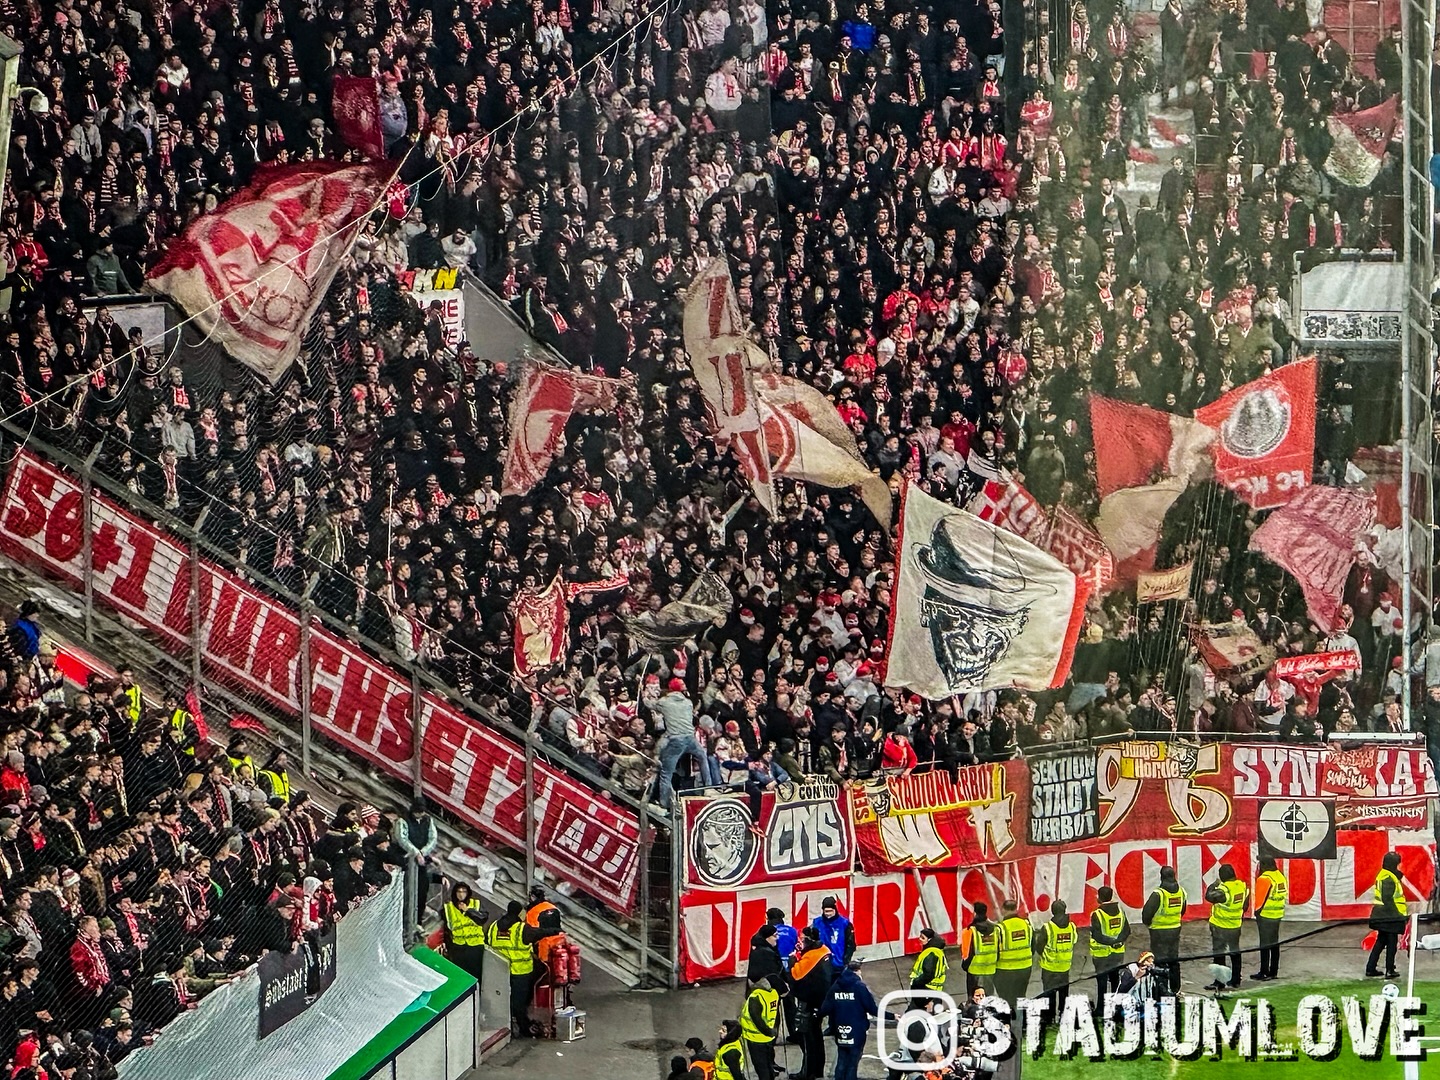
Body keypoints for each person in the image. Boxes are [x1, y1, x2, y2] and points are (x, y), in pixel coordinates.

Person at [486, 900, 545, 1038]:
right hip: (521, 971)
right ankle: (523, 1027)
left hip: (500, 970)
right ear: (519, 913)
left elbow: (488, 944)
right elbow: (536, 938)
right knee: (519, 1002)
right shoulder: (522, 928)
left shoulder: (494, 926)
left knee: (501, 1000)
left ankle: (506, 1024)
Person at [821, 961, 878, 1080]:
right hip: (857, 1031)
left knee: (841, 1060)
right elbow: (872, 1009)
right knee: (852, 1063)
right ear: (857, 971)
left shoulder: (836, 986)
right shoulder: (859, 987)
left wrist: (815, 1015)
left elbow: (825, 1008)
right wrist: (892, 1016)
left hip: (840, 1030)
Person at [790, 926, 833, 1080]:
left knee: (809, 1040)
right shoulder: (824, 950)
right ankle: (817, 1071)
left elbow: (795, 975)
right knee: (817, 1037)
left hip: (810, 1002)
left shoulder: (811, 957)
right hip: (821, 1002)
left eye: (801, 939)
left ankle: (807, 1073)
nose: (799, 942)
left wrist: (793, 960)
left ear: (808, 940)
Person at [1142, 866, 1186, 995]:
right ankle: (1175, 988)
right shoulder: (1181, 892)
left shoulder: (1158, 894)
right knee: (1173, 959)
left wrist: (1149, 923)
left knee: (1160, 961)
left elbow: (1146, 914)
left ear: (1161, 877)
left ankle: (1162, 990)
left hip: (1159, 931)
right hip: (1175, 928)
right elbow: (1183, 910)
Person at [1204, 863, 1247, 990]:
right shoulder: (1242, 886)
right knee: (1235, 952)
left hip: (1220, 926)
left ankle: (1219, 982)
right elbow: (1245, 906)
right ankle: (1236, 980)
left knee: (1219, 954)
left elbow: (1209, 896)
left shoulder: (1224, 890)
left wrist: (1214, 884)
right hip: (1235, 925)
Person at [1366, 852, 1407, 978]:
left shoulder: (1385, 874)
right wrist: (1397, 915)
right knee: (1391, 943)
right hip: (1389, 916)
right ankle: (1390, 969)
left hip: (1382, 914)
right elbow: (1387, 899)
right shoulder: (1388, 878)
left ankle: (1371, 968)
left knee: (1381, 941)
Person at [1035, 900, 1076, 1021]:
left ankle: (1049, 1017)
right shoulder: (1072, 927)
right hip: (1064, 966)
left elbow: (1039, 946)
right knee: (1064, 993)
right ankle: (1063, 1014)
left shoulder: (1048, 928)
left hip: (1049, 967)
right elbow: (1073, 941)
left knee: (1049, 993)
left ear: (1052, 911)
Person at [1089, 886, 1130, 1001]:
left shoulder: (1097, 914)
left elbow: (1097, 935)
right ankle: (1115, 1004)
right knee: (1115, 978)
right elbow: (1127, 930)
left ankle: (1101, 1007)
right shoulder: (1120, 911)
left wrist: (1111, 942)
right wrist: (1117, 942)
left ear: (1100, 898)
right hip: (1117, 953)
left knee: (1102, 981)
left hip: (1101, 954)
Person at [1251, 858, 1287, 981]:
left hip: (1266, 915)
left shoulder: (1264, 878)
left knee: (1264, 945)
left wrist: (1257, 914)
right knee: (1274, 943)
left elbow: (1260, 900)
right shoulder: (1280, 876)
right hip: (1277, 914)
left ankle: (1264, 971)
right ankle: (1273, 971)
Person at [442, 882, 487, 980]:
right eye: (458, 892)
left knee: (475, 976)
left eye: (464, 892)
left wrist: (468, 911)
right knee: (460, 976)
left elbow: (482, 919)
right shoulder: (448, 907)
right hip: (458, 947)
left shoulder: (476, 904)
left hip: (475, 946)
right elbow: (446, 929)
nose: (461, 894)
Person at [993, 900, 1032, 1009]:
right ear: (1016, 909)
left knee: (1006, 1000)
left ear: (1003, 910)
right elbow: (1032, 945)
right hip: (1025, 967)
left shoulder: (1000, 928)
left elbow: (995, 950)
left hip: (1005, 970)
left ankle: (1010, 1018)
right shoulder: (1026, 924)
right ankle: (1021, 1018)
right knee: (1021, 997)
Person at [741, 974, 781, 1080]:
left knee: (761, 1067)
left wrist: (768, 1031)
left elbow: (757, 1019)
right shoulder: (774, 994)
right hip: (769, 1037)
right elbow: (776, 1014)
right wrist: (774, 1031)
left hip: (755, 1038)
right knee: (768, 1064)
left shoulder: (756, 997)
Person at [959, 903, 997, 996]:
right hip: (990, 969)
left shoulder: (969, 931)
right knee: (988, 998)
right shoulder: (996, 929)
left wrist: (965, 966)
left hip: (974, 970)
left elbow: (966, 954)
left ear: (974, 913)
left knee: (975, 998)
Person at [811, 896, 856, 972]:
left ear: (835, 909)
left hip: (838, 963)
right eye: (826, 911)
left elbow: (851, 945)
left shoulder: (844, 924)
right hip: (821, 963)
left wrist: (845, 961)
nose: (828, 914)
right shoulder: (817, 923)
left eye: (830, 911)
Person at [909, 928, 948, 992]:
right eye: (920, 936)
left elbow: (928, 975)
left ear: (929, 940)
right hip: (931, 988)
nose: (920, 939)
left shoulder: (931, 954)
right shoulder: (934, 951)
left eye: (923, 938)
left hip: (926, 988)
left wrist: (916, 982)